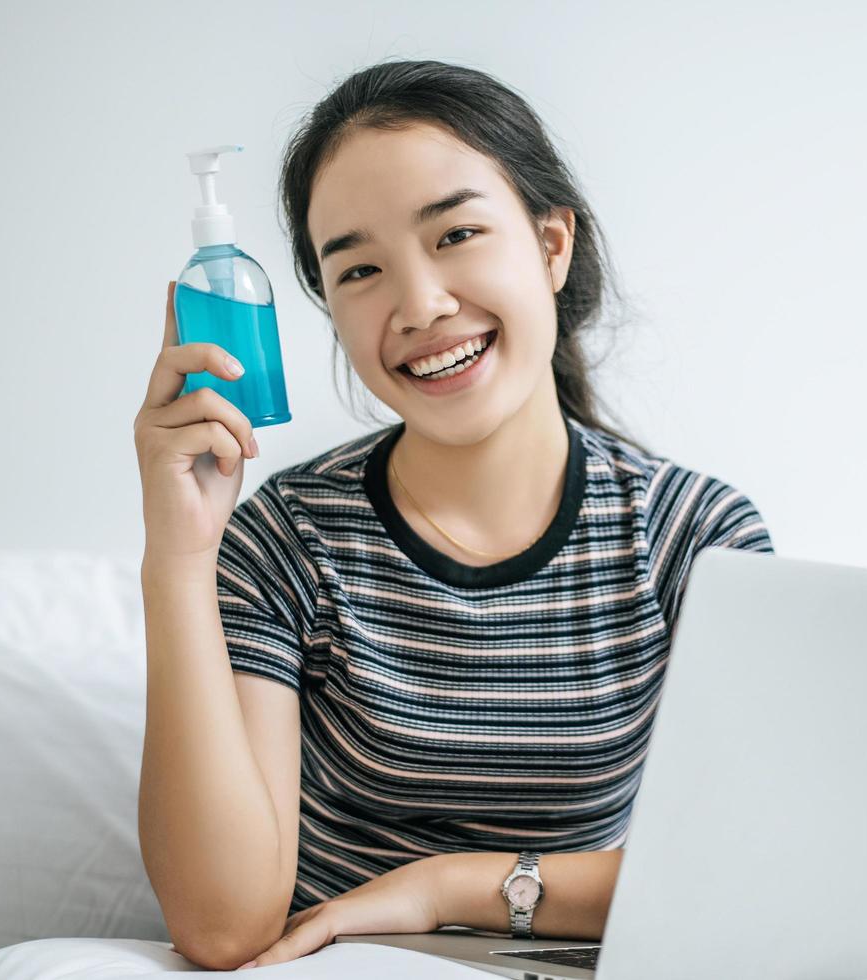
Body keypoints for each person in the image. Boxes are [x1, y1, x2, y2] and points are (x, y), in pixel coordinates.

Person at [133, 58, 773, 972]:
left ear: (552, 246)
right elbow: (222, 928)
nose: (421, 305)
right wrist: (178, 559)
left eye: (458, 233)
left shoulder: (697, 539)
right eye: (359, 270)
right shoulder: (287, 539)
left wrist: (444, 890)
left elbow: (742, 882)